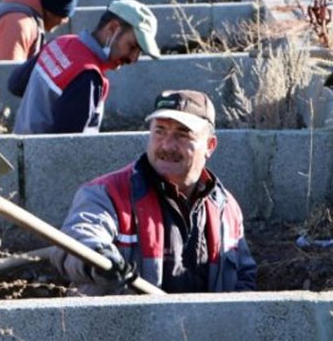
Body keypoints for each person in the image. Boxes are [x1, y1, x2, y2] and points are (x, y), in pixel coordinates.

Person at [51, 90, 257, 295]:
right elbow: (77, 238)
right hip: (125, 326)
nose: (167, 145)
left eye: (182, 134)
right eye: (160, 131)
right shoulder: (107, 194)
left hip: (204, 327)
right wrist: (99, 260)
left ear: (210, 146)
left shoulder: (226, 208)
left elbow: (244, 276)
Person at [9, 0, 160, 134]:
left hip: (22, 154)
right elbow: (70, 148)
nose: (134, 58)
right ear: (113, 28)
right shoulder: (87, 77)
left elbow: (15, 84)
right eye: (132, 47)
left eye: (139, 52)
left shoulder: (60, 43)